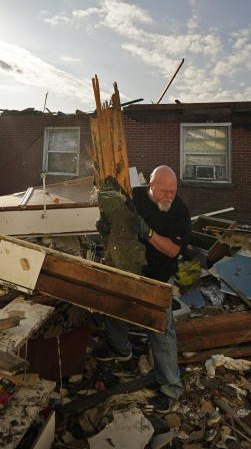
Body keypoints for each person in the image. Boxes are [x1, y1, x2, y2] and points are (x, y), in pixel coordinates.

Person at [94, 165, 190, 413]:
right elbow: (115, 219)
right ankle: (120, 349)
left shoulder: (179, 211)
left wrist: (147, 232)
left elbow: (172, 250)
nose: (170, 196)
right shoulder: (133, 196)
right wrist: (107, 228)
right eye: (164, 191)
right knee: (114, 307)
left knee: (160, 329)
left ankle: (171, 386)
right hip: (129, 268)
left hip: (158, 276)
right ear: (151, 186)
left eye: (173, 191)